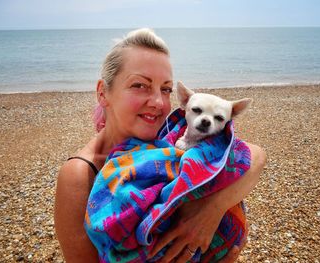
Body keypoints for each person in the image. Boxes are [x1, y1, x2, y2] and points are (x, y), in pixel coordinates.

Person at [54, 28, 266, 263]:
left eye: (165, 89)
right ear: (103, 93)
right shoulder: (80, 174)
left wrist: (211, 209)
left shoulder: (164, 137)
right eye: (140, 85)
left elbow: (255, 155)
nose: (158, 102)